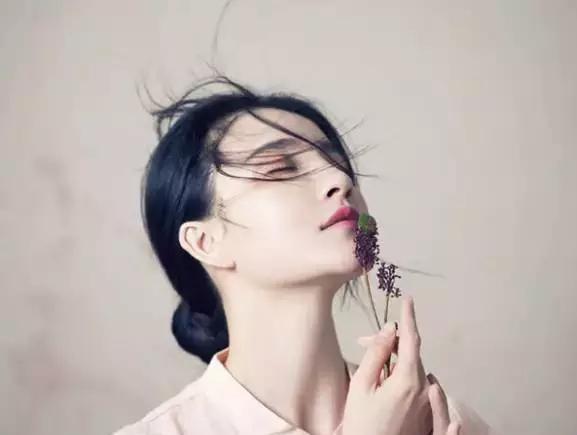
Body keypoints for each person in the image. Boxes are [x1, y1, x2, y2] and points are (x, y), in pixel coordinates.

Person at [113, 74, 494, 435]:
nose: (340, 180)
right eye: (281, 168)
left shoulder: (444, 421)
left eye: (339, 165)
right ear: (205, 242)